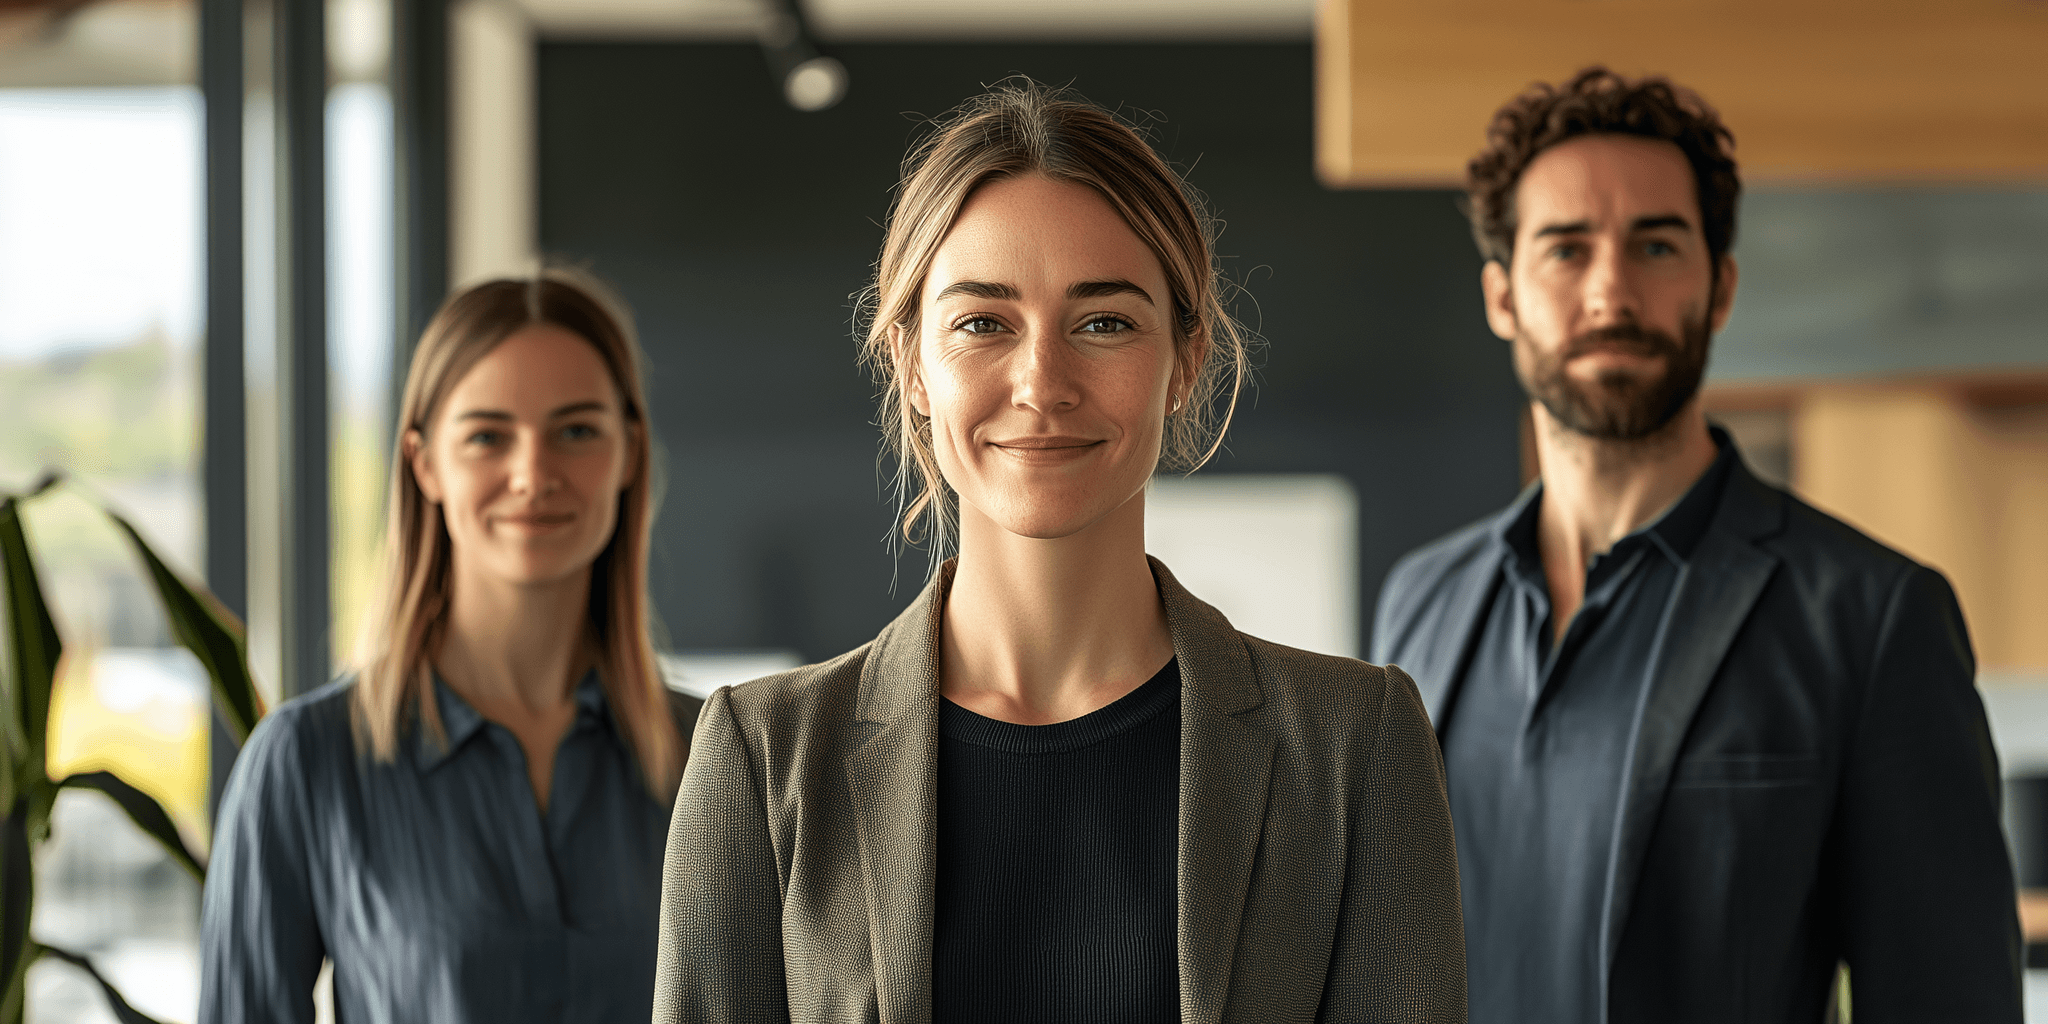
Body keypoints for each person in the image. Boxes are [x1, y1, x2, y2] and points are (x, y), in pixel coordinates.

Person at [654, 80, 1465, 1023]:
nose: (1042, 381)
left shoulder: (1353, 746)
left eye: (1105, 322)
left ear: (1185, 360)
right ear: (914, 365)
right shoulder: (761, 759)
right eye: (983, 324)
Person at [1371, 67, 2022, 1022]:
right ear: (1502, 296)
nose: (1610, 290)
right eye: (1565, 247)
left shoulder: (1871, 617)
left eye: (1656, 243)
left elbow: (1949, 1003)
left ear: (1719, 288)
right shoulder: (1418, 601)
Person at [200, 270, 702, 1022]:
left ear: (630, 452)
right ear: (423, 462)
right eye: (487, 437)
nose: (533, 474)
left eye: (576, 430)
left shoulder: (719, 756)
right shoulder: (307, 763)